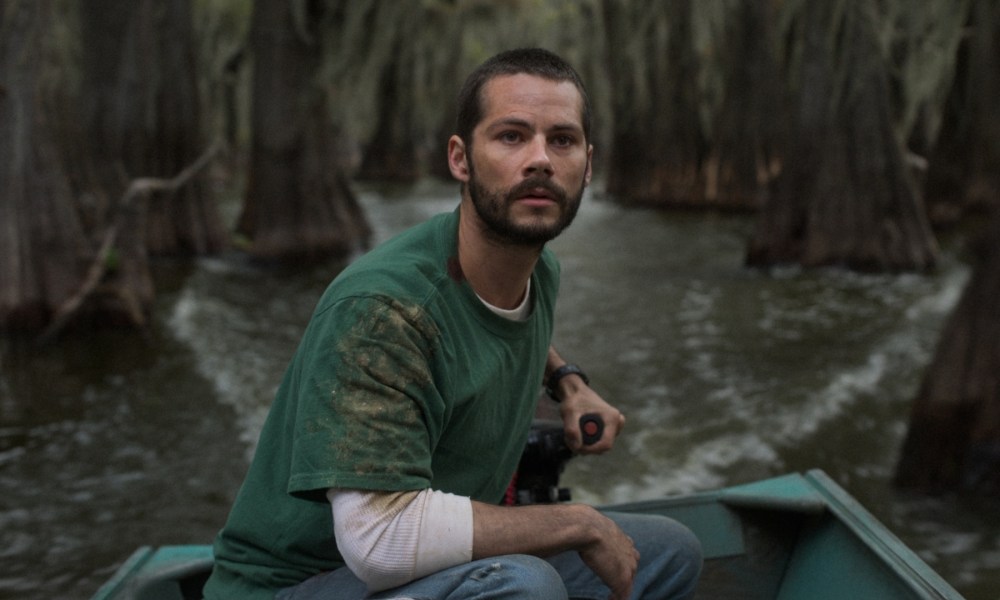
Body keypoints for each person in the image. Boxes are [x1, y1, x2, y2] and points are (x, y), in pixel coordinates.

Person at [203, 47, 702, 600]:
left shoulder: (538, 271)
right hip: (297, 584)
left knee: (669, 551)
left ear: (588, 164)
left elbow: (499, 325)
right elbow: (380, 542)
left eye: (561, 140)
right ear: (460, 159)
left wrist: (569, 383)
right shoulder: (381, 310)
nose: (539, 159)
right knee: (523, 585)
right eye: (511, 136)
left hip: (419, 572)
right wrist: (577, 522)